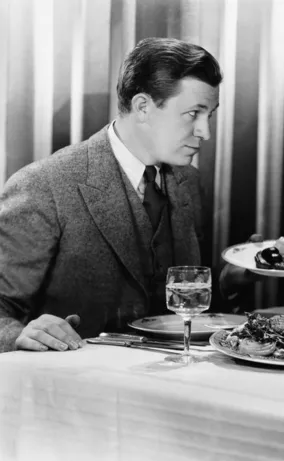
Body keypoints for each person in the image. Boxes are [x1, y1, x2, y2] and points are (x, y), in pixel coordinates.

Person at [0, 37, 254, 353]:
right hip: (76, 390)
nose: (205, 132)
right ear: (143, 107)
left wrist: (229, 283)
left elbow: (171, 303)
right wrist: (23, 334)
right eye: (193, 114)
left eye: (210, 115)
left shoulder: (187, 181)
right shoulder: (42, 185)